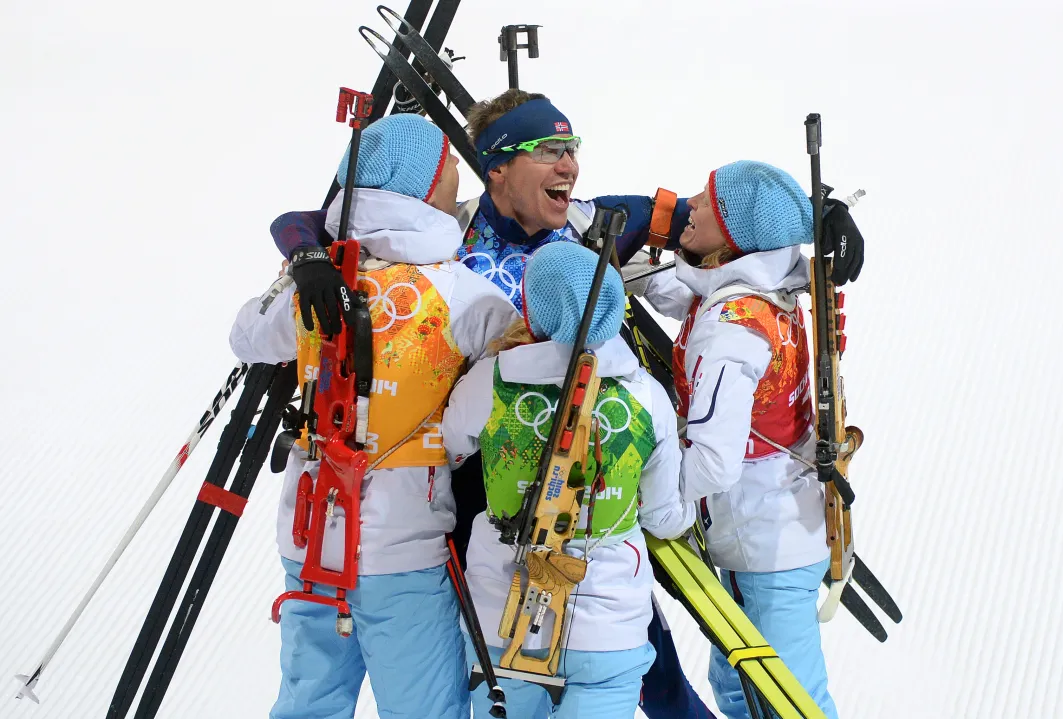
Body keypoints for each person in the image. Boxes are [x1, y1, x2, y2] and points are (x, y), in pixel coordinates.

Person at [264, 90, 866, 719]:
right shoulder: (441, 231)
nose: (569, 164)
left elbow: (727, 212)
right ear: (496, 167)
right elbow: (321, 215)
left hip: (595, 467)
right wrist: (304, 253)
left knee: (636, 649)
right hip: (473, 482)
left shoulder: (588, 224)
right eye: (549, 150)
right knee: (486, 655)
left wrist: (815, 216)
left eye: (572, 149)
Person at [228, 113, 518, 719]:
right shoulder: (466, 296)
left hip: (309, 538)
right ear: (421, 189)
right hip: (404, 548)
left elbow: (248, 336)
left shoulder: (321, 279)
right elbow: (513, 381)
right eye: (448, 173)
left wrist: (297, 264)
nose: (457, 187)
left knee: (308, 703)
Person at [441, 241, 696, 718]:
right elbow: (663, 518)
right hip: (609, 630)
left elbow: (453, 446)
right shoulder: (647, 399)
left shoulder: (490, 381)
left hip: (501, 620)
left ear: (533, 309)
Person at [638, 160, 842, 719]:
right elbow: (687, 296)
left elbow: (712, 462)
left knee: (792, 703)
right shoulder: (762, 290)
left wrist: (657, 505)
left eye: (706, 200)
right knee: (741, 692)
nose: (691, 206)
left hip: (765, 543)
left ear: (734, 230)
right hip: (762, 531)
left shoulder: (730, 327)